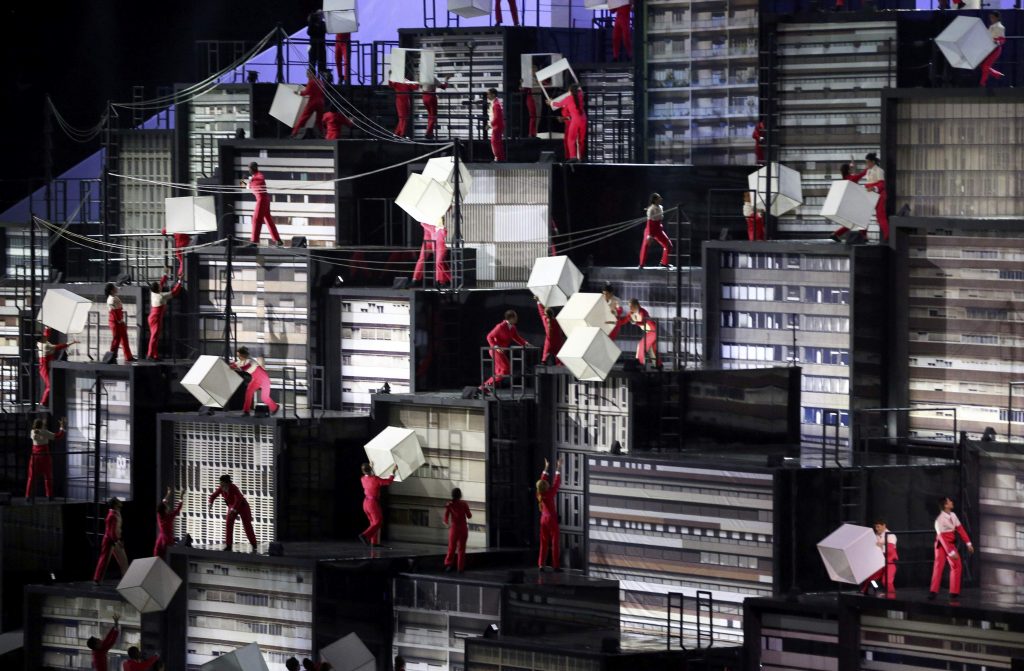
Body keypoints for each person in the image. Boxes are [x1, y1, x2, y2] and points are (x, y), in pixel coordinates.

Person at [929, 496, 974, 599]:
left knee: (957, 565)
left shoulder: (953, 515)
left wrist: (968, 543)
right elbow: (941, 537)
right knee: (939, 567)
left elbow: (960, 529)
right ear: (945, 505)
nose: (952, 502)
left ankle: (954, 592)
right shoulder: (939, 520)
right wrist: (950, 552)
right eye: (949, 502)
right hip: (942, 544)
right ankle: (933, 591)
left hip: (951, 543)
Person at [480, 309, 529, 392]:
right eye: (515, 317)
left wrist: (525, 343)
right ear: (510, 318)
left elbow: (516, 337)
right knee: (505, 370)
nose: (517, 318)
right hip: (495, 351)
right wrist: (496, 347)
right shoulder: (500, 326)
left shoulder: (512, 327)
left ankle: (484, 389)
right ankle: (485, 386)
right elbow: (489, 336)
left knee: (500, 371)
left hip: (502, 352)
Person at [208, 474, 259, 553]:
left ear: (227, 483)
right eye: (220, 483)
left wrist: (233, 510)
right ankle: (228, 545)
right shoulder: (221, 488)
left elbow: (238, 499)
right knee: (228, 524)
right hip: (232, 506)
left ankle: (254, 543)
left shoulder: (233, 487)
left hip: (242, 506)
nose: (221, 484)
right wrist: (210, 503)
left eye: (222, 483)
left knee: (247, 525)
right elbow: (213, 496)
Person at [240, 162, 284, 247]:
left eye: (249, 168)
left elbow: (259, 182)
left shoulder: (259, 176)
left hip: (262, 199)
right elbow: (244, 186)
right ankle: (278, 240)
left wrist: (250, 180)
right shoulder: (254, 177)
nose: (249, 170)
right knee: (268, 220)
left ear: (253, 168)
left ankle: (254, 242)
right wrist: (242, 180)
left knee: (256, 219)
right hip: (264, 199)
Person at [848, 152, 888, 242]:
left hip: (879, 194)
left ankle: (887, 235)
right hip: (869, 193)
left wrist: (874, 188)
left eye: (867, 162)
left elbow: (882, 184)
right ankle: (863, 235)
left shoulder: (879, 170)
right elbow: (859, 176)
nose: (866, 164)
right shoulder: (868, 170)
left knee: (880, 215)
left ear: (872, 162)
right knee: (862, 214)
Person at [230, 347, 280, 416]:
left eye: (239, 355)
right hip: (255, 379)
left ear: (243, 355)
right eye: (238, 355)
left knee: (264, 398)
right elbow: (234, 365)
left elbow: (245, 368)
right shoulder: (240, 362)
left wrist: (235, 367)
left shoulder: (250, 360)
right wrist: (231, 366)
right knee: (248, 392)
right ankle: (246, 411)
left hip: (263, 378)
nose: (239, 357)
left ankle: (275, 407)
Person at [26, 416, 65, 501]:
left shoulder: (32, 432)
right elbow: (58, 436)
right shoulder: (45, 432)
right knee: (48, 477)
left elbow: (36, 435)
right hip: (45, 456)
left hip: (34, 457)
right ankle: (49, 496)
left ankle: (28, 496)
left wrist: (43, 423)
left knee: (31, 477)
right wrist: (62, 427)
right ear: (42, 425)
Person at [359, 462, 398, 546]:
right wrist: (393, 471)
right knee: (378, 521)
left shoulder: (362, 478)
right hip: (372, 503)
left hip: (365, 503)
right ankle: (365, 535)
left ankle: (374, 542)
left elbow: (369, 475)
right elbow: (388, 482)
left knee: (373, 523)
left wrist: (371, 467)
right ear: (370, 469)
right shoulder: (375, 479)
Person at [146, 274, 182, 361]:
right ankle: (149, 354)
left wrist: (165, 275)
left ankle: (155, 355)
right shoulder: (162, 295)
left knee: (155, 337)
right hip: (156, 318)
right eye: (159, 287)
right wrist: (179, 281)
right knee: (154, 337)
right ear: (158, 289)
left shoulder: (153, 293)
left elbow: (161, 283)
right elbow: (174, 292)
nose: (161, 286)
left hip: (152, 317)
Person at [38, 327, 77, 405]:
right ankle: (43, 402)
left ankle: (43, 401)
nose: (45, 337)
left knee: (49, 385)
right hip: (44, 367)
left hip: (44, 365)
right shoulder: (45, 346)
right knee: (49, 386)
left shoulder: (41, 342)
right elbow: (58, 347)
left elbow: (46, 335)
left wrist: (47, 329)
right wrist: (71, 343)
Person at [93, 498, 128, 583]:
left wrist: (119, 539)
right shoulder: (112, 515)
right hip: (110, 540)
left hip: (115, 539)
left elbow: (117, 529)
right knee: (104, 560)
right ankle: (97, 579)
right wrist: (117, 541)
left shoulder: (117, 512)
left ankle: (126, 579)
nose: (120, 502)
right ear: (115, 504)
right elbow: (111, 531)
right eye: (118, 502)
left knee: (123, 560)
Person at [860, 519, 898, 596]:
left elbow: (891, 550)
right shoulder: (876, 535)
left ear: (884, 525)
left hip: (890, 562)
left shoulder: (890, 535)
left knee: (886, 581)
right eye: (876, 527)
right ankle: (877, 589)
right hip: (879, 562)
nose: (877, 529)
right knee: (871, 579)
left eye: (878, 527)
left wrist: (881, 547)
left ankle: (891, 595)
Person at [537, 457, 562, 571]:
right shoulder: (550, 493)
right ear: (546, 487)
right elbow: (557, 483)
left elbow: (542, 481)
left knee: (543, 542)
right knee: (554, 542)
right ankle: (555, 566)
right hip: (551, 520)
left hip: (543, 519)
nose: (548, 483)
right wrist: (558, 467)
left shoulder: (540, 493)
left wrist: (546, 467)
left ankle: (541, 564)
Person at [411, 216, 451, 286]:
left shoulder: (436, 224)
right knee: (423, 259)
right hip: (428, 241)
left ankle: (443, 280)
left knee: (439, 262)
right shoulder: (427, 218)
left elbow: (433, 228)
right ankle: (415, 278)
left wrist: (422, 222)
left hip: (435, 242)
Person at [551, 83, 585, 161]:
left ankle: (573, 157)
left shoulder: (569, 98)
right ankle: (580, 157)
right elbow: (580, 92)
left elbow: (559, 104)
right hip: (583, 119)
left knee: (571, 139)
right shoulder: (581, 96)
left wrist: (551, 102)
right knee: (581, 140)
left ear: (570, 91)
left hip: (575, 120)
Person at [639, 192, 672, 269]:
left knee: (668, 245)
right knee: (645, 246)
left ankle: (664, 262)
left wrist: (659, 227)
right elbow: (650, 223)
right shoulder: (651, 209)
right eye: (658, 198)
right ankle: (641, 264)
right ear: (655, 200)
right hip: (650, 228)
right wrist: (650, 235)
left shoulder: (661, 207)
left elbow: (659, 220)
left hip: (658, 229)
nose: (660, 199)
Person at [624, 299, 659, 368]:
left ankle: (640, 362)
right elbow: (624, 320)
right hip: (649, 331)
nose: (630, 308)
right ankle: (658, 364)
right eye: (629, 307)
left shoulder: (643, 311)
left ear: (636, 305)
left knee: (641, 344)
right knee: (651, 348)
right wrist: (616, 322)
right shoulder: (630, 313)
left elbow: (643, 321)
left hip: (653, 330)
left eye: (632, 306)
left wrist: (635, 322)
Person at [444, 487, 472, 573]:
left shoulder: (449, 504)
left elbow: (445, 518)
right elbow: (469, 516)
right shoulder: (464, 504)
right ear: (460, 495)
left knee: (451, 547)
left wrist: (448, 524)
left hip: (454, 529)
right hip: (463, 529)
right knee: (461, 549)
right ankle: (460, 568)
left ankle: (448, 565)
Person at [105, 283, 135, 364]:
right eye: (114, 287)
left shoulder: (114, 297)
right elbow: (114, 312)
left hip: (119, 321)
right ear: (111, 290)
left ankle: (128, 356)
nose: (116, 288)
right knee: (116, 339)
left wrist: (121, 321)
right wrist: (120, 321)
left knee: (124, 338)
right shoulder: (111, 299)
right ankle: (112, 356)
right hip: (115, 322)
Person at [293, 69, 326, 138]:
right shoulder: (320, 82)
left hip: (312, 103)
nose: (307, 75)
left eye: (308, 73)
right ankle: (322, 134)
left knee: (303, 118)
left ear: (312, 74)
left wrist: (298, 93)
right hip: (321, 103)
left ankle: (294, 133)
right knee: (319, 120)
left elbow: (306, 92)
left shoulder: (311, 82)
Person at [154, 486, 183, 559]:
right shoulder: (169, 517)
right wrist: (181, 496)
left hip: (160, 539)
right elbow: (178, 508)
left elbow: (164, 501)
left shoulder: (159, 515)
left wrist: (169, 493)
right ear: (165, 509)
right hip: (168, 539)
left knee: (156, 557)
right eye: (167, 506)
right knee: (167, 557)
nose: (168, 505)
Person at [535, 296, 564, 365]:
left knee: (546, 351)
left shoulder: (545, 319)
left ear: (546, 314)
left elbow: (541, 311)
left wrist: (538, 301)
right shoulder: (556, 321)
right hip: (557, 340)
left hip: (549, 340)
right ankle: (559, 363)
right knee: (559, 354)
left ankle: (544, 360)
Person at [980, 12, 1005, 88]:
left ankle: (983, 82)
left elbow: (1002, 40)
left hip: (995, 49)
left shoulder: (1000, 27)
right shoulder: (992, 26)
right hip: (989, 48)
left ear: (997, 18)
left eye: (993, 17)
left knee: (985, 66)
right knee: (983, 65)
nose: (991, 19)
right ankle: (984, 82)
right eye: (990, 17)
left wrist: (996, 42)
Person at [422, 75, 451, 140]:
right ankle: (428, 133)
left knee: (430, 116)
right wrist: (446, 80)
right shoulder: (432, 78)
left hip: (424, 97)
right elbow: (443, 87)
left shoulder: (423, 78)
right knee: (433, 116)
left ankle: (430, 133)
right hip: (431, 97)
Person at [486, 88, 506, 162]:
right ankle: (500, 158)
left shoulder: (496, 104)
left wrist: (489, 125)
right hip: (498, 126)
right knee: (497, 142)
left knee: (494, 142)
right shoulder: (496, 103)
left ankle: (498, 158)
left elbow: (496, 117)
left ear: (493, 95)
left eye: (488, 94)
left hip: (497, 126)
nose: (487, 96)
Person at [307, 10, 328, 75]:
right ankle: (312, 78)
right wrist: (313, 23)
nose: (321, 16)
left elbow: (325, 31)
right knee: (312, 63)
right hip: (313, 45)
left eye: (322, 15)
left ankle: (321, 78)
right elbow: (309, 32)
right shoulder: (312, 23)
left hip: (321, 46)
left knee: (322, 63)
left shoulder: (323, 24)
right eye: (319, 14)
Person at [520, 73, 539, 138]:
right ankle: (531, 133)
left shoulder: (539, 78)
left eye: (536, 69)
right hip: (531, 99)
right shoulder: (528, 80)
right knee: (533, 117)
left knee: (537, 116)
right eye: (533, 69)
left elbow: (548, 84)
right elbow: (522, 89)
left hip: (538, 98)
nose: (535, 70)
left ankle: (535, 133)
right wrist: (521, 83)